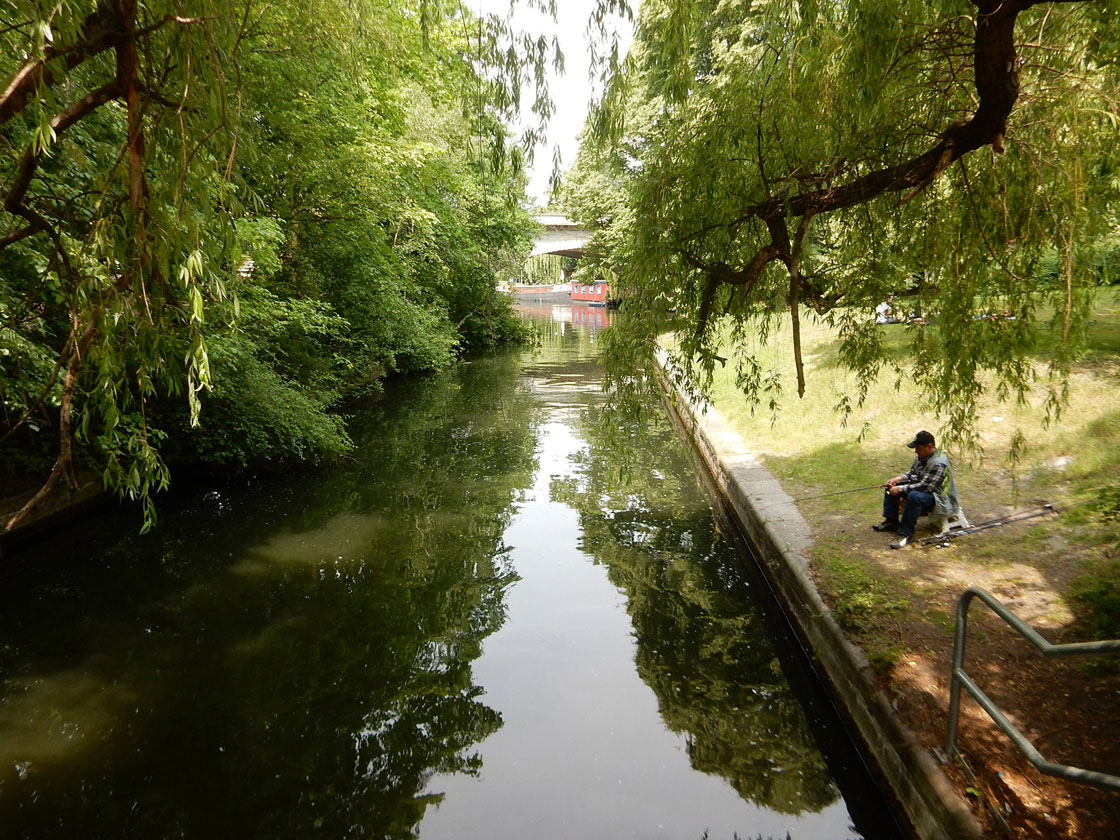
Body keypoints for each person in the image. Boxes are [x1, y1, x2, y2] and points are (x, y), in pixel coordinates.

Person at [871, 430, 959, 549]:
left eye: (918, 448)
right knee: (891, 487)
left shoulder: (938, 463)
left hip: (939, 499)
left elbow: (925, 487)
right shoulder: (922, 456)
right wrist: (898, 479)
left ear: (929, 446)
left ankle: (906, 534)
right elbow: (913, 474)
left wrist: (901, 488)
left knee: (914, 496)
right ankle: (891, 521)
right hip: (926, 491)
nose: (915, 451)